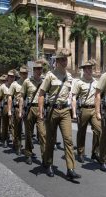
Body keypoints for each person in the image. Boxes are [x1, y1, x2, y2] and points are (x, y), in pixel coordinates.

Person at [38, 48, 81, 180]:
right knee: (50, 140)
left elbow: (71, 95)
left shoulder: (69, 77)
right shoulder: (50, 75)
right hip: (52, 110)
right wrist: (40, 112)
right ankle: (49, 164)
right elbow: (41, 94)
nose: (64, 61)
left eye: (65, 59)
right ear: (56, 61)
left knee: (68, 140)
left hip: (65, 111)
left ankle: (70, 169)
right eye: (62, 59)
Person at [71, 59, 101, 163]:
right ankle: (80, 152)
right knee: (81, 132)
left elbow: (98, 97)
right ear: (83, 70)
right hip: (83, 109)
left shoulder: (96, 82)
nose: (89, 70)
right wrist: (74, 112)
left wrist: (98, 111)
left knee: (98, 130)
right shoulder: (78, 83)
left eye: (90, 68)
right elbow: (74, 97)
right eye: (87, 68)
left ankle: (95, 152)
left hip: (94, 109)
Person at [20, 60, 47, 165]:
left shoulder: (45, 81)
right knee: (29, 133)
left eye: (40, 69)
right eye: (37, 69)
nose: (39, 71)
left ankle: (45, 157)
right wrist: (21, 110)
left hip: (41, 109)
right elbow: (22, 97)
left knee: (42, 134)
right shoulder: (27, 81)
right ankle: (28, 154)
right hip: (30, 109)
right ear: (33, 70)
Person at [8, 66, 28, 155]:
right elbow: (9, 97)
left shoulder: (30, 83)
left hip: (28, 108)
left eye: (26, 73)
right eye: (22, 73)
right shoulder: (15, 84)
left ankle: (28, 149)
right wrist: (9, 110)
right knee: (18, 128)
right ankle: (18, 146)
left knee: (29, 130)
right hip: (17, 108)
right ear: (20, 74)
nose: (24, 75)